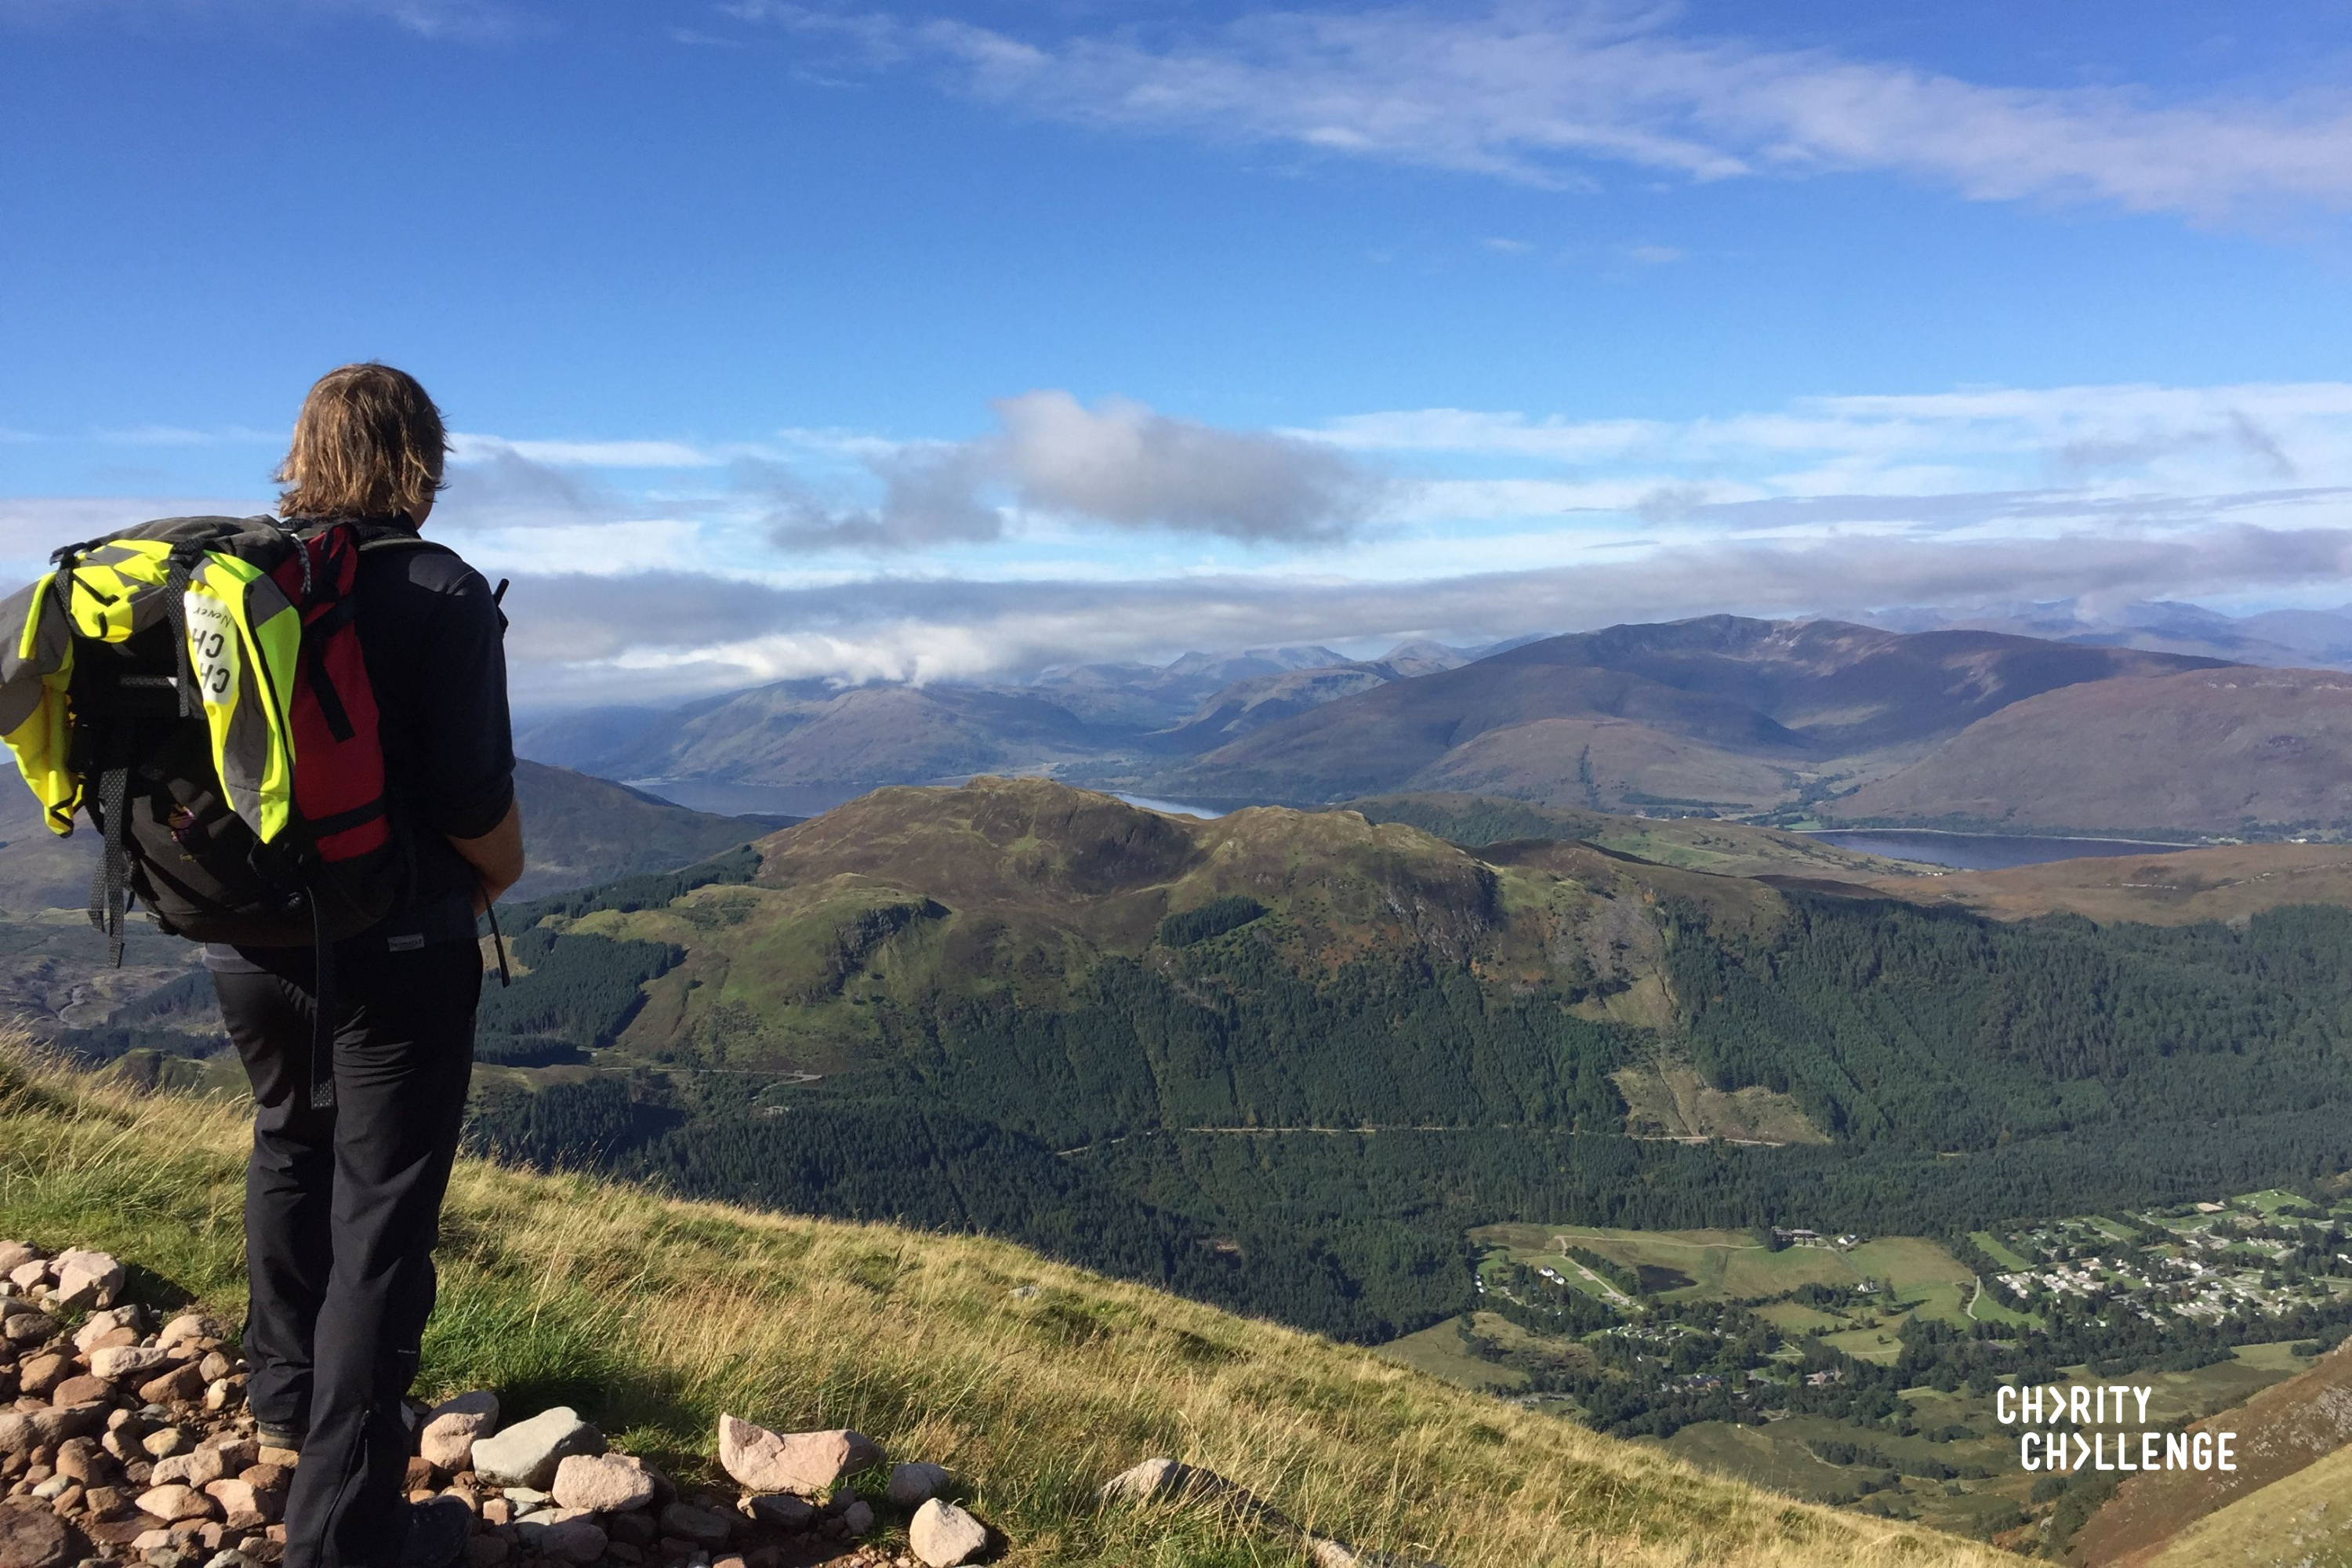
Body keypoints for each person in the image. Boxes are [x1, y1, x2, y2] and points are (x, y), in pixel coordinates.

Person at [208, 363, 524, 1568]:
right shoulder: (438, 592)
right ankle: (345, 1536)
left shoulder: (244, 584)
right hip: (400, 952)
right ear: (423, 464)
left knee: (289, 1143)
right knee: (382, 1218)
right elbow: (471, 801)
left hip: (251, 941)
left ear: (305, 452)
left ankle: (287, 1416)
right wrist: (500, 870)